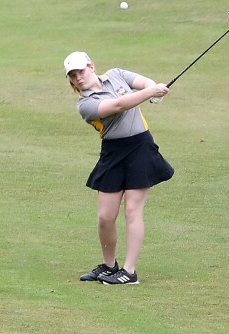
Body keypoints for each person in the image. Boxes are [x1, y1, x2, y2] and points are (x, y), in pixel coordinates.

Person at [64, 50, 174, 285]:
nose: (78, 78)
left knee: (132, 211)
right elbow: (118, 105)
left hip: (140, 148)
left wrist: (154, 89)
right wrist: (151, 92)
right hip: (113, 153)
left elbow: (143, 82)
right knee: (105, 216)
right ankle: (109, 265)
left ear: (91, 66)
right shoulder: (85, 105)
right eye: (73, 76)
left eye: (81, 71)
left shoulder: (116, 75)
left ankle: (129, 271)